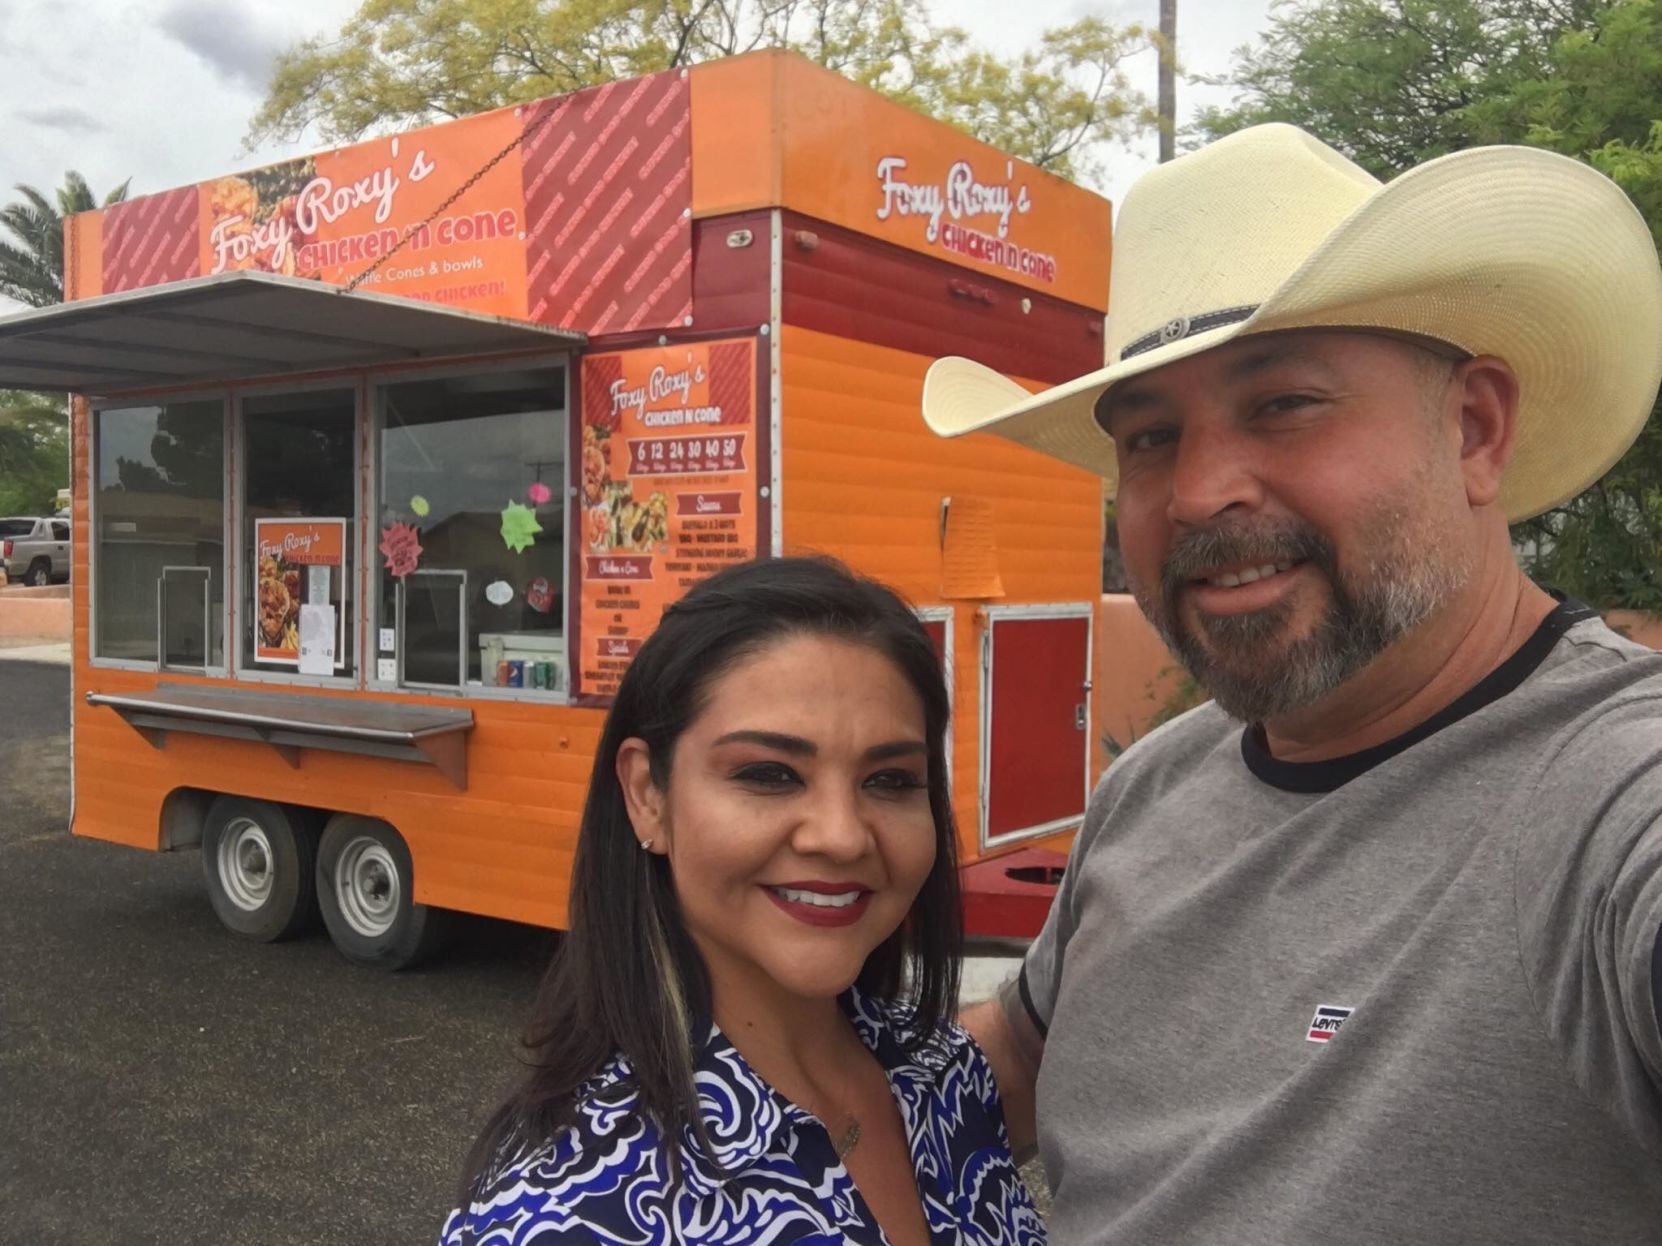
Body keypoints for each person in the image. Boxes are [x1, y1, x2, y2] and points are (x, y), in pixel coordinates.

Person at [923, 123, 1662, 1241]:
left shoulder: (1608, 797)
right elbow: (1028, 1048)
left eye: (1284, 405)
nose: (1201, 491)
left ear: (1474, 427)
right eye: (1152, 437)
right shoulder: (1158, 782)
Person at [440, 556, 1044, 1245]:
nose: (843, 836)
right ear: (647, 795)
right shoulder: (566, 1215)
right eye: (769, 773)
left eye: (891, 780)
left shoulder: (945, 1074)